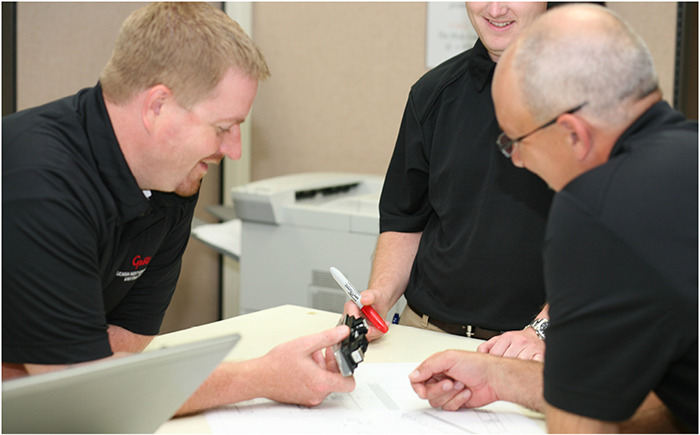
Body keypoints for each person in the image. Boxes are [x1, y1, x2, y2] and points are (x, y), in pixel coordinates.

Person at [2, 2, 354, 415]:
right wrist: (262, 376)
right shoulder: (39, 182)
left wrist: (58, 373)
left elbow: (122, 349)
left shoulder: (172, 181)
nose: (234, 150)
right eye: (223, 128)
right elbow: (82, 395)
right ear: (157, 107)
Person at [409, 4, 697, 433]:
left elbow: (582, 424)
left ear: (573, 134)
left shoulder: (594, 211)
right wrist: (500, 376)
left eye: (516, 140)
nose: (519, 161)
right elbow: (666, 397)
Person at [345, 2, 553, 362]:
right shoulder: (433, 93)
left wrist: (543, 329)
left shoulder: (587, 99)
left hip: (528, 347)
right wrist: (379, 295)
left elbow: (609, 239)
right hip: (423, 333)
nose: (496, 7)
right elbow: (404, 220)